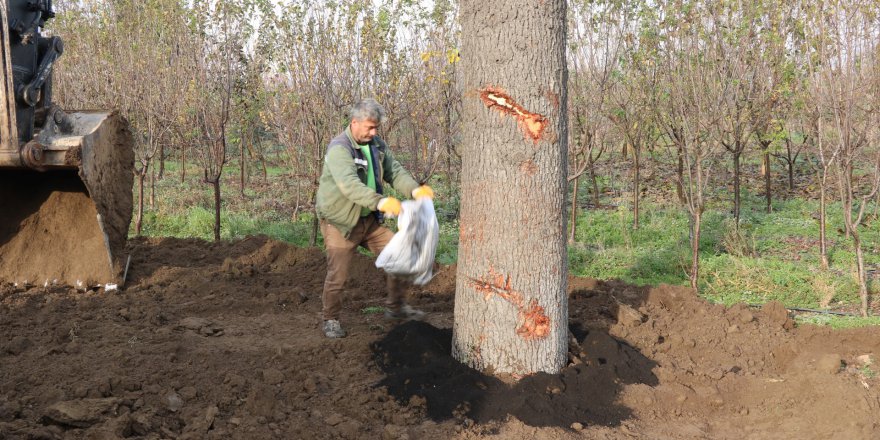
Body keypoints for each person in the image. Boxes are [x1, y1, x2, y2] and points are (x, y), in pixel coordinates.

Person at [315, 98, 434, 338]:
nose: (374, 132)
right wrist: (380, 201)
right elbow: (349, 185)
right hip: (341, 222)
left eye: (376, 127)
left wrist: (414, 190)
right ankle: (330, 319)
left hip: (368, 221)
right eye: (370, 127)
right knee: (338, 275)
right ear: (354, 123)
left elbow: (394, 171)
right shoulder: (340, 148)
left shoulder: (376, 145)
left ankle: (396, 308)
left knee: (398, 256)